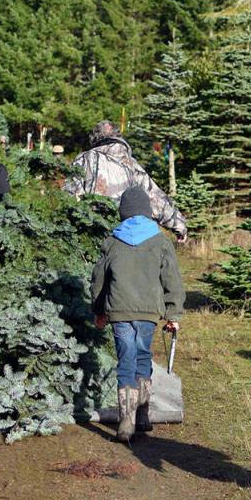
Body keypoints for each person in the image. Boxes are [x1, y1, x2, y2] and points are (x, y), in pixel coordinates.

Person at [91, 187, 184, 443]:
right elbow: (172, 280)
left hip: (119, 310)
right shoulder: (160, 241)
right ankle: (142, 416)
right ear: (147, 211)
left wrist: (98, 310)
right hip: (148, 312)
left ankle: (126, 422)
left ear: (123, 212)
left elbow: (98, 280)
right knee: (143, 356)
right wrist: (173, 314)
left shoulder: (112, 241)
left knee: (126, 360)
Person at [64, 120, 187, 242]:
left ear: (94, 139)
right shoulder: (132, 165)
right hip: (123, 238)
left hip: (89, 236)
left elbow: (69, 197)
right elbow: (155, 198)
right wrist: (179, 225)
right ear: (118, 137)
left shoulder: (84, 159)